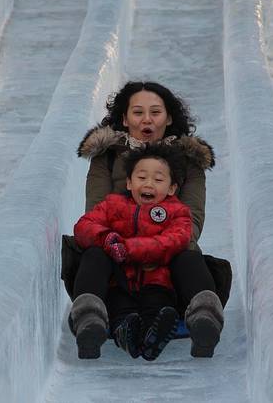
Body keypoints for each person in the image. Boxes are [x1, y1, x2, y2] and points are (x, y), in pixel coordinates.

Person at [66, 81, 229, 360]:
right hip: (115, 256)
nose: (147, 120)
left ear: (169, 118)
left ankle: (203, 317)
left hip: (167, 256)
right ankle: (90, 319)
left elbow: (190, 224)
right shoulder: (108, 158)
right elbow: (93, 216)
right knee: (93, 254)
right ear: (124, 118)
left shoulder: (187, 160)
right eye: (138, 112)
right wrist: (116, 243)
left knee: (188, 257)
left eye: (155, 112)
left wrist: (146, 247)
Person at [74, 144, 191, 361]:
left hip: (157, 280)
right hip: (119, 280)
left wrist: (129, 248)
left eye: (158, 180)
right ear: (129, 183)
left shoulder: (177, 212)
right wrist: (107, 238)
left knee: (158, 308)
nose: (148, 184)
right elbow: (84, 226)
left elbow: (176, 239)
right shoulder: (112, 205)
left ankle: (152, 337)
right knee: (120, 308)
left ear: (172, 188)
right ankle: (123, 332)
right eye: (141, 177)